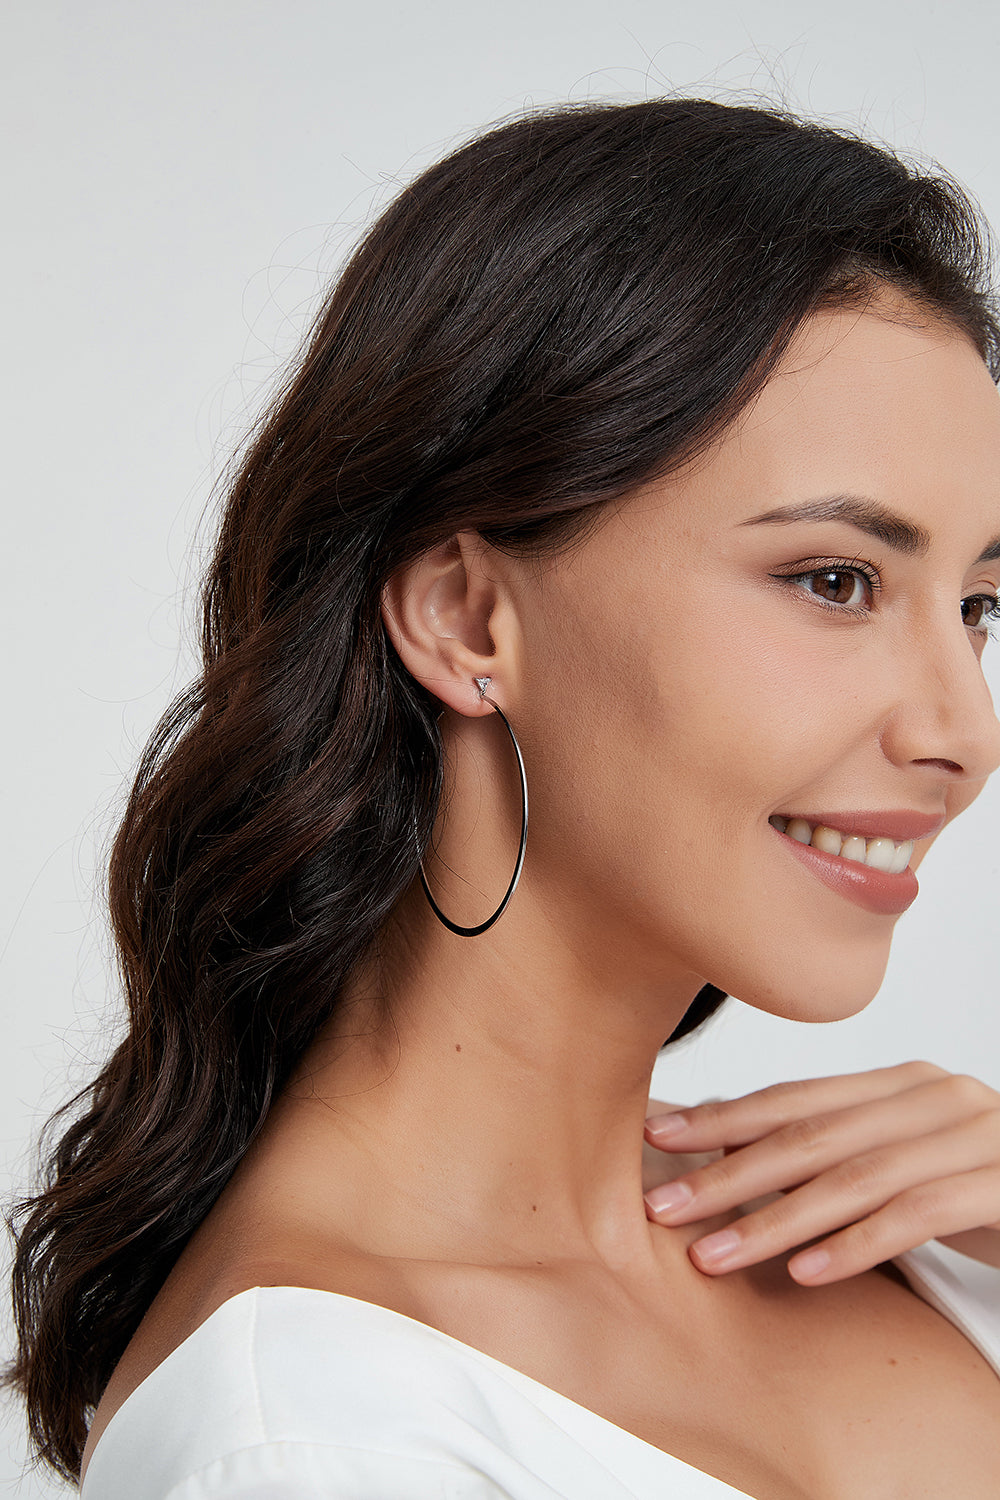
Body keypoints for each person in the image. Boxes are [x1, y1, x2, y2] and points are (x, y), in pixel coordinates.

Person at [7, 96, 1000, 1499]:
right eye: (835, 581)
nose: (964, 731)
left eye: (978, 608)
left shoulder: (940, 1245)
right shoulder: (314, 1447)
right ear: (468, 618)